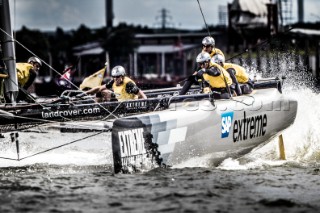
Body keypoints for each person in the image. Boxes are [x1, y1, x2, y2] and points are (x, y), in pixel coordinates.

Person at [81, 65, 147, 102]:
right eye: (114, 77)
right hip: (119, 99)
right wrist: (86, 93)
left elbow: (143, 96)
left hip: (129, 104)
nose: (115, 79)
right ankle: (97, 109)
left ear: (122, 76)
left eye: (117, 77)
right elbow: (99, 88)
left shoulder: (129, 84)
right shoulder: (113, 81)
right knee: (100, 92)